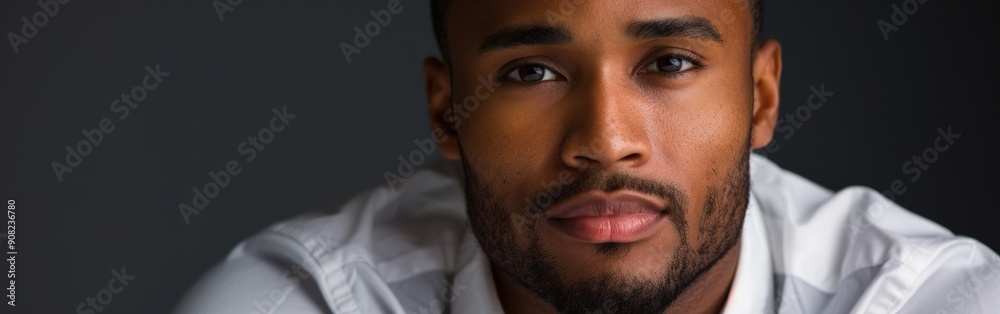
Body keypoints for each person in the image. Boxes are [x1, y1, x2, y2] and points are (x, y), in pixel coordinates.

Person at [175, 0, 1000, 313]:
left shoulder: (932, 302)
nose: (605, 142)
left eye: (670, 62)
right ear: (446, 111)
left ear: (760, 99)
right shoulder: (303, 304)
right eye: (531, 72)